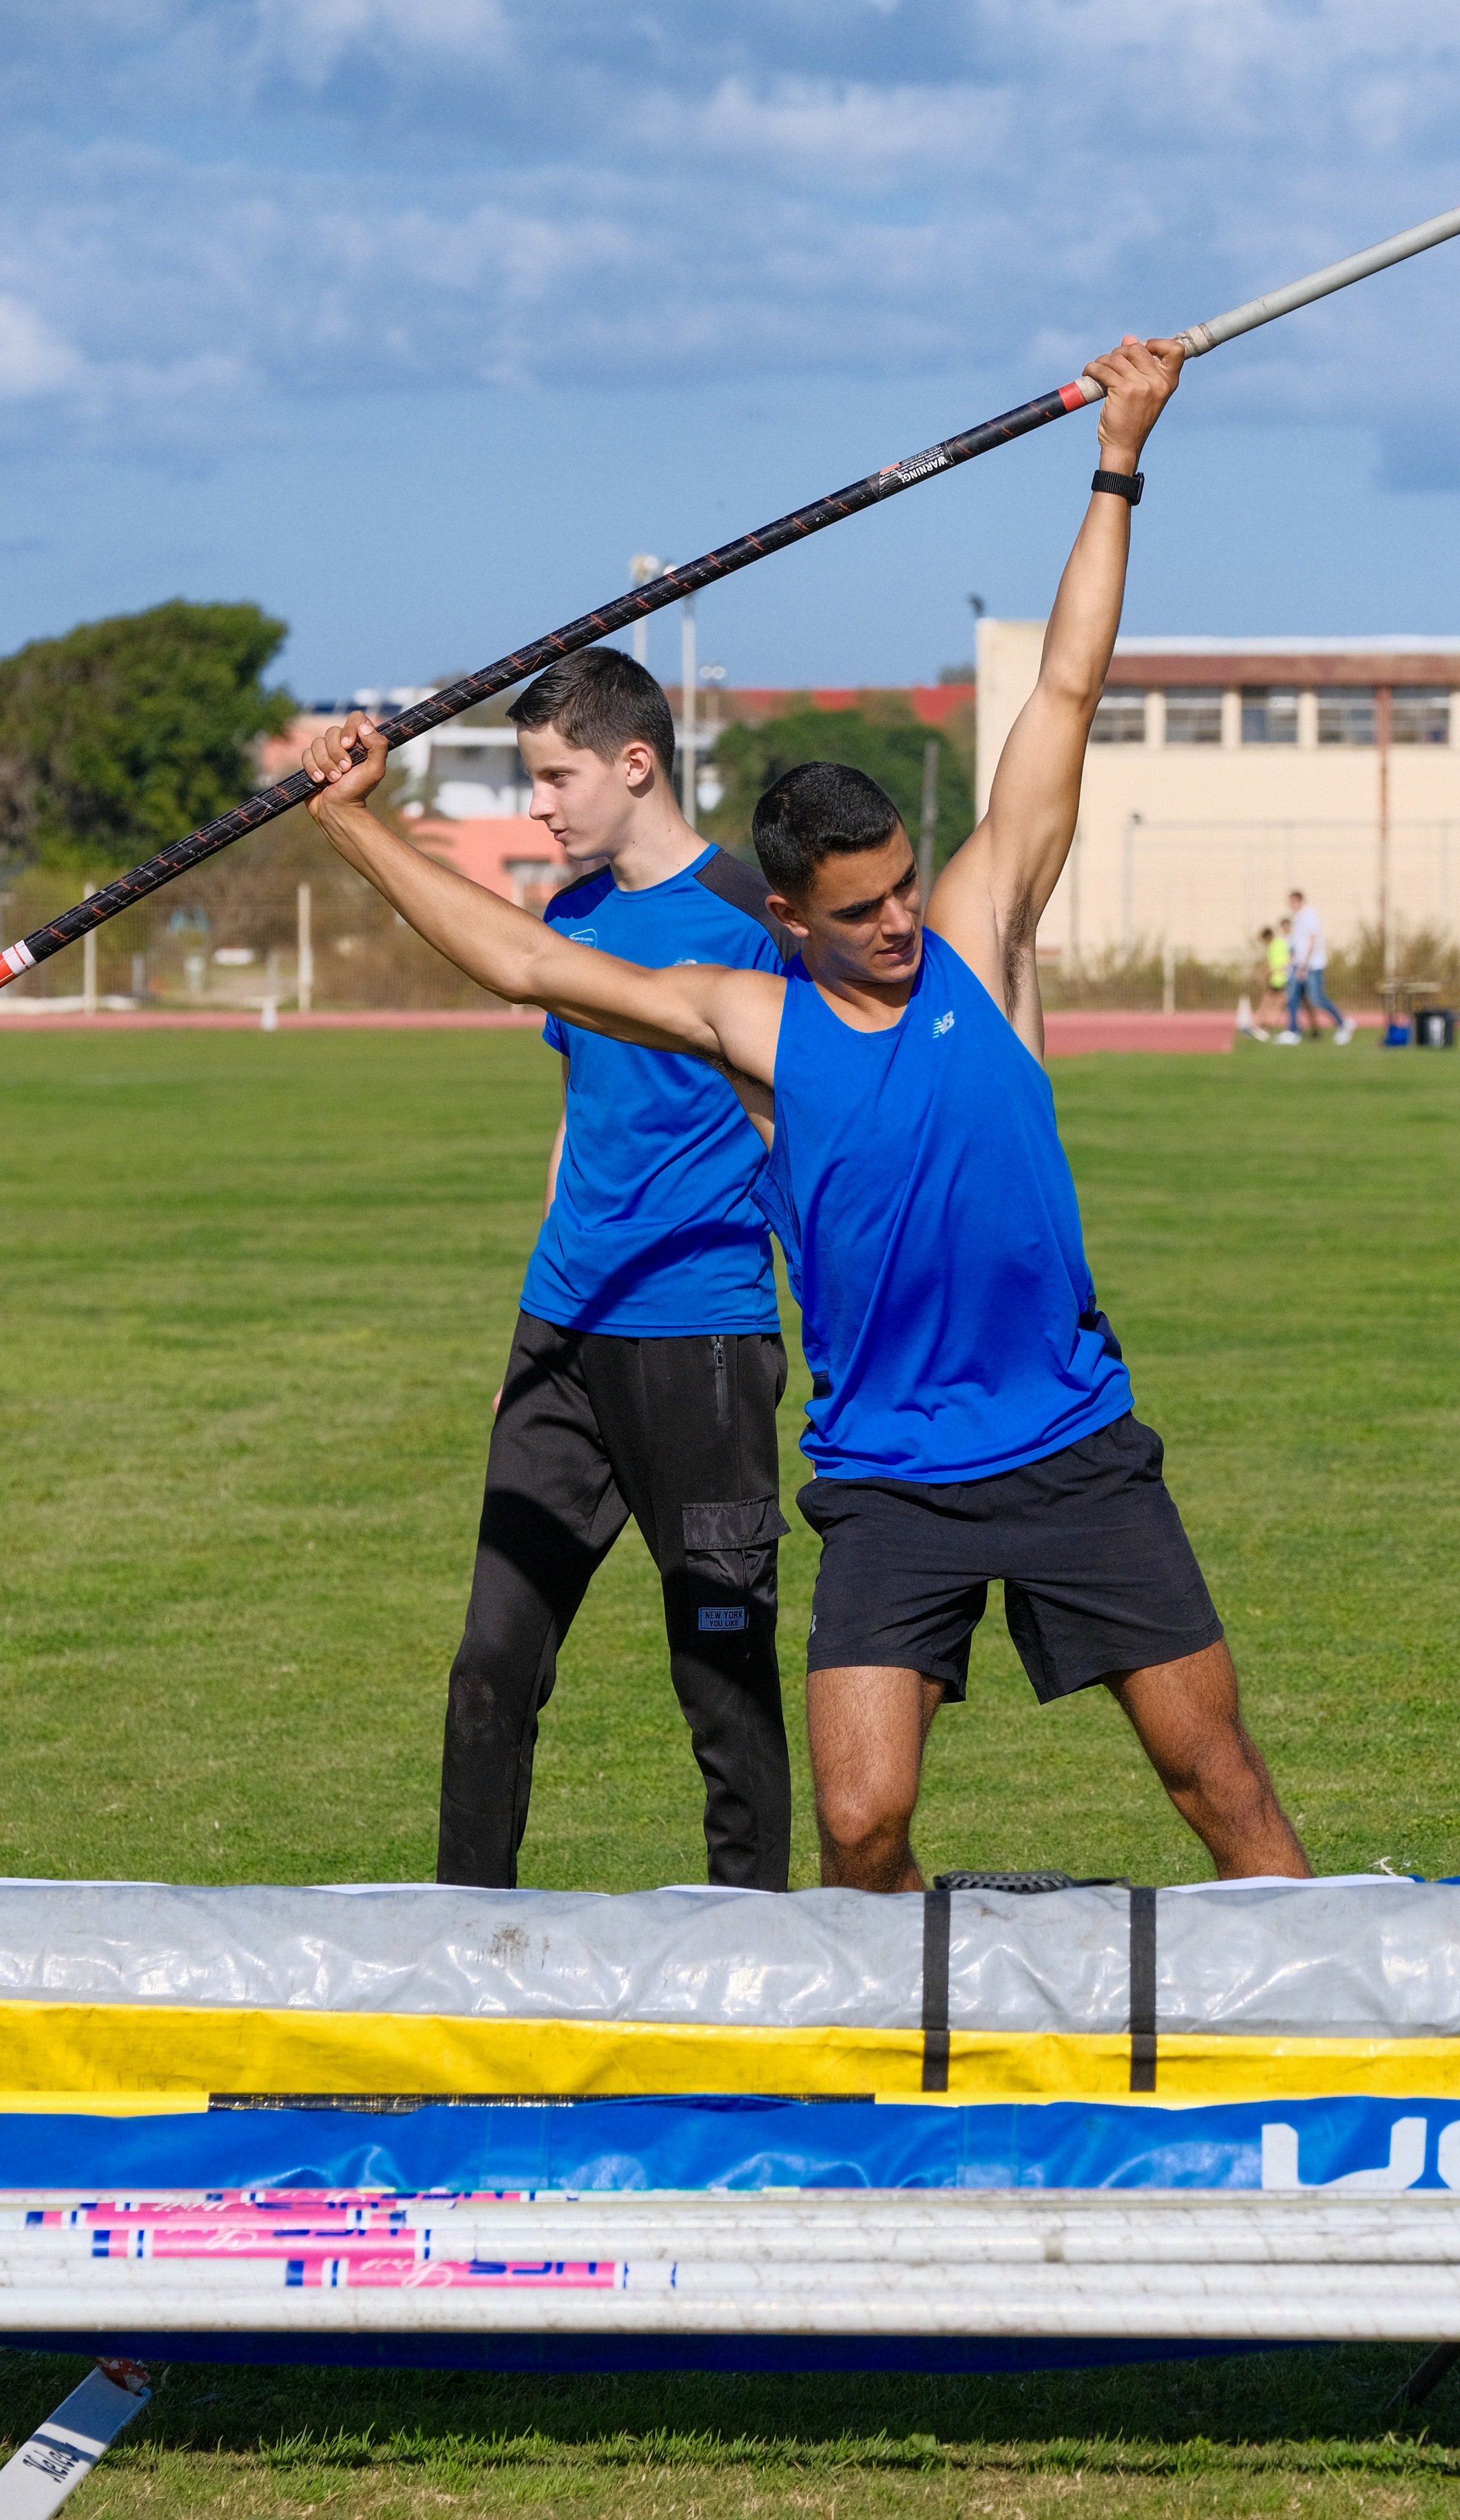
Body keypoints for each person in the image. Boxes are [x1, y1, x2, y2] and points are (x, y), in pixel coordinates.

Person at [303, 333, 1310, 1897]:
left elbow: (1062, 686)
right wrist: (354, 827)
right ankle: (848, 2082)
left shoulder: (977, 947)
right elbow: (514, 951)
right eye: (859, 908)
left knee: (1212, 1774)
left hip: (1067, 1443)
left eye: (905, 886)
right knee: (856, 1823)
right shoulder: (754, 1020)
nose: (899, 924)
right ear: (792, 914)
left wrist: (1117, 453)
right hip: (886, 1475)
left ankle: (1323, 2043)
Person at [435, 649, 795, 1892]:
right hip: (560, 1344)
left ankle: (757, 1950)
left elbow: (795, 1127)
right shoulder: (572, 917)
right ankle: (457, 1941)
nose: (538, 805)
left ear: (633, 764)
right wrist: (525, 1346)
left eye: (554, 776)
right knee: (492, 1660)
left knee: (723, 1669)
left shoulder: (758, 918)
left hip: (700, 1345)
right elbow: (581, 1117)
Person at [1283, 889, 1352, 1044]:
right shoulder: (1298, 917)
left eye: (1292, 902)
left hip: (1311, 965)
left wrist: (1305, 964)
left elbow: (1312, 940)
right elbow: (1297, 943)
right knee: (1292, 998)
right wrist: (1293, 961)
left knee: (1316, 998)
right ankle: (1293, 1031)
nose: (1290, 905)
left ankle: (1343, 1023)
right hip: (1298, 964)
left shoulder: (1309, 915)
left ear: (1299, 900)